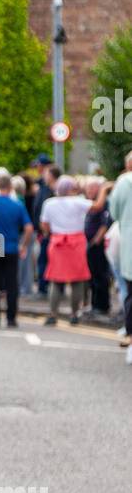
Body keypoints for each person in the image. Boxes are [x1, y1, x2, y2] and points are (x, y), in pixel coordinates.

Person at [0, 174, 33, 328]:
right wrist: (23, 246)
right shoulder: (17, 205)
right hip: (11, 246)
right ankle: (11, 319)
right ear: (10, 188)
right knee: (11, 284)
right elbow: (29, 228)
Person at [40, 175, 91, 325]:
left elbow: (44, 224)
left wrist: (53, 232)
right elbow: (97, 206)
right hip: (76, 242)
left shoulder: (49, 203)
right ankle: (74, 314)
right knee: (77, 280)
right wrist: (105, 189)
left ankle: (52, 314)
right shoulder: (78, 201)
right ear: (70, 188)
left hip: (57, 242)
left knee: (55, 280)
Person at [108, 155, 132, 364]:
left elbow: (114, 212)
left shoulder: (124, 182)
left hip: (129, 246)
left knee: (130, 293)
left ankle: (131, 337)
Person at [83, 177, 112, 317]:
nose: (88, 190)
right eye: (87, 187)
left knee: (100, 275)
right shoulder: (91, 203)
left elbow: (105, 224)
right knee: (92, 276)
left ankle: (102, 306)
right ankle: (94, 305)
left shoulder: (103, 203)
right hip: (89, 245)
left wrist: (95, 241)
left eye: (91, 188)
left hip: (97, 245)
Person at [33, 160, 60, 295]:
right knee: (42, 260)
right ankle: (43, 287)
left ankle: (45, 288)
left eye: (46, 173)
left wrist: (45, 231)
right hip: (42, 231)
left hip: (48, 233)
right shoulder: (43, 188)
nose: (43, 175)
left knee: (46, 260)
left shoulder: (53, 191)